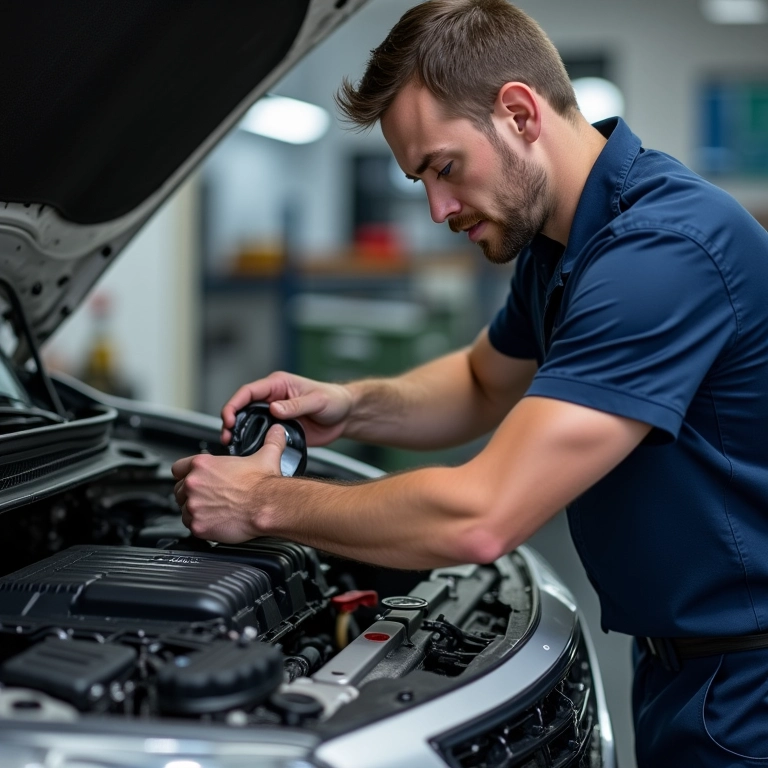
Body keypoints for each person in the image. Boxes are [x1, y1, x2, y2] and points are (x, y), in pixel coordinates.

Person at [172, 1, 768, 764]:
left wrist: (257, 501)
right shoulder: (564, 244)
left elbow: (482, 517)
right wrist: (350, 404)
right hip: (682, 668)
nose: (437, 208)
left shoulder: (659, 255)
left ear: (519, 112)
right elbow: (483, 382)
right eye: (420, 179)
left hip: (746, 688)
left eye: (443, 168)